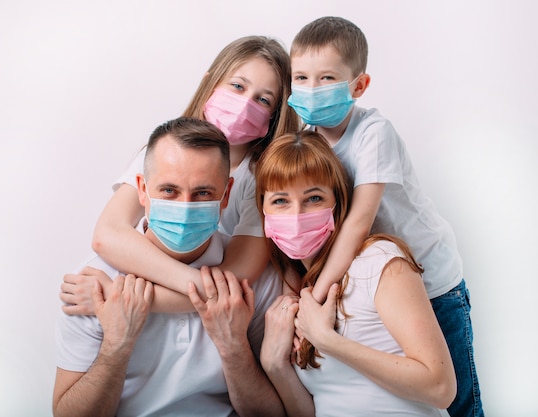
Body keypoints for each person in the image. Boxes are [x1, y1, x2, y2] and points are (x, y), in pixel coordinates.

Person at [285, 16, 483, 416]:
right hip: (381, 283)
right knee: (395, 384)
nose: (311, 89)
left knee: (457, 396)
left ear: (358, 86)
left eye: (326, 78)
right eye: (301, 78)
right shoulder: (309, 136)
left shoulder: (374, 132)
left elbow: (358, 221)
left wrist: (315, 297)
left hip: (432, 280)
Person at [53, 117, 285, 417]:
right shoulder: (93, 285)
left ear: (226, 195)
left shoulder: (254, 281)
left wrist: (234, 347)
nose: (185, 207)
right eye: (169, 191)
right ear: (141, 189)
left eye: (202, 193)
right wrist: (116, 346)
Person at [60, 35, 300, 314]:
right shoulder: (165, 150)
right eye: (237, 86)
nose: (245, 105)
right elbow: (108, 235)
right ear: (210, 83)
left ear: (274, 114)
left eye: (262, 99)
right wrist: (195, 282)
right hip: (196, 299)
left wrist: (115, 298)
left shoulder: (266, 180)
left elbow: (234, 281)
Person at [256, 131, 456, 416]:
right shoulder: (296, 295)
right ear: (262, 209)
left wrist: (328, 341)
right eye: (280, 201)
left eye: (313, 198)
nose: (297, 215)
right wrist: (274, 366)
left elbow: (440, 388)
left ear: (337, 202)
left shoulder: (377, 261)